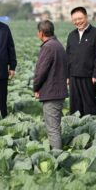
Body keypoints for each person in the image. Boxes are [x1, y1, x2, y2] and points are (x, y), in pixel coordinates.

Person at [34, 20, 68, 150]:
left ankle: (57, 157)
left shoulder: (48, 47)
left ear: (41, 33)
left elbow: (41, 71)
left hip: (51, 93)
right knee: (55, 127)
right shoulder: (58, 44)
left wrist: (36, 88)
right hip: (58, 91)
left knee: (52, 129)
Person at [66, 7, 96, 116]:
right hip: (73, 76)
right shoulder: (71, 35)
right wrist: (67, 75)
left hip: (89, 76)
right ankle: (76, 128)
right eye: (75, 20)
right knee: (75, 105)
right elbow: (68, 56)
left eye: (80, 18)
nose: (77, 22)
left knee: (89, 105)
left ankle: (92, 125)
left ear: (86, 17)